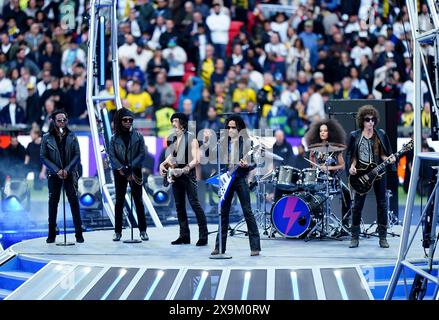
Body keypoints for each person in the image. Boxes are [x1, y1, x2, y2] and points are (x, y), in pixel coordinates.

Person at [346, 105, 396, 248]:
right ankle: (354, 236)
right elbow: (352, 155)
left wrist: (389, 158)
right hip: (362, 175)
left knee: (382, 204)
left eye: (373, 119)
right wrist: (352, 166)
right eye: (367, 120)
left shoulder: (380, 134)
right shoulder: (355, 135)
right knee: (357, 206)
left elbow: (383, 154)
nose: (370, 122)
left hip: (379, 174)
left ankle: (383, 237)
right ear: (362, 120)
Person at [211, 115, 261, 256]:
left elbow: (253, 162)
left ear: (239, 129)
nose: (230, 130)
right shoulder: (222, 142)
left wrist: (247, 165)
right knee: (223, 212)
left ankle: (255, 247)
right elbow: (211, 155)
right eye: (228, 127)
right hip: (227, 178)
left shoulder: (246, 142)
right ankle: (219, 247)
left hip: (239, 178)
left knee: (247, 211)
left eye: (233, 127)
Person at [159, 112, 208, 246]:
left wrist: (184, 169)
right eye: (172, 121)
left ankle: (203, 236)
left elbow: (197, 159)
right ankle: (184, 235)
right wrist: (162, 164)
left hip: (188, 176)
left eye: (176, 120)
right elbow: (171, 157)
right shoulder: (175, 139)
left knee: (195, 205)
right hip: (176, 175)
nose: (173, 123)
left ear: (182, 122)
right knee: (179, 206)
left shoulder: (191, 138)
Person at [40, 110, 84, 243]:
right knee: (53, 203)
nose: (62, 122)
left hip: (69, 174)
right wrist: (57, 170)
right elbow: (43, 156)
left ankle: (79, 233)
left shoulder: (72, 136)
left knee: (74, 202)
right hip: (54, 175)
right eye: (59, 120)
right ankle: (51, 233)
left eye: (64, 120)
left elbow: (77, 155)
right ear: (54, 121)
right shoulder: (47, 137)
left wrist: (67, 169)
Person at [305, 119, 352, 233]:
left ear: (330, 132)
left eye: (325, 131)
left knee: (347, 194)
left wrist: (329, 168)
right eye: (321, 131)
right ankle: (311, 224)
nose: (322, 133)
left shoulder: (335, 148)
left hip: (333, 179)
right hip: (318, 180)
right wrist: (315, 168)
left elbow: (342, 166)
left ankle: (345, 225)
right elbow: (312, 166)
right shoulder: (314, 148)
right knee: (308, 195)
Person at [108, 108, 149, 242]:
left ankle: (143, 231)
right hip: (119, 172)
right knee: (119, 202)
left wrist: (130, 167)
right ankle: (117, 232)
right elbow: (111, 155)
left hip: (135, 170)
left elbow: (142, 154)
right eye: (125, 120)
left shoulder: (138, 136)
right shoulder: (114, 138)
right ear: (120, 121)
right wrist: (121, 168)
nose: (128, 122)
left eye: (130, 120)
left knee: (138, 201)